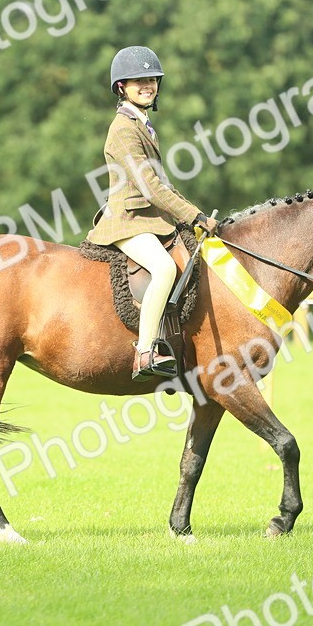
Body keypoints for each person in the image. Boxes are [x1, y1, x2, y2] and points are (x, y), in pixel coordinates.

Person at [86, 46, 219, 380]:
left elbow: (164, 185)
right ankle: (144, 352)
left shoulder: (142, 125)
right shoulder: (123, 129)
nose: (147, 86)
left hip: (149, 220)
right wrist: (195, 216)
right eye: (138, 81)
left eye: (152, 80)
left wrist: (195, 214)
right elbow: (150, 187)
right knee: (163, 268)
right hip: (128, 222)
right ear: (121, 87)